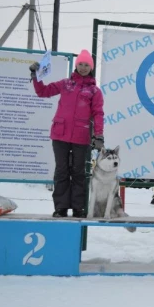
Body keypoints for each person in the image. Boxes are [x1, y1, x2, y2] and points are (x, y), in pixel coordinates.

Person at [29, 50, 105, 218]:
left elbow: (98, 113)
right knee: (62, 171)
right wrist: (36, 76)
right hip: (60, 134)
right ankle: (61, 208)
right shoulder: (65, 84)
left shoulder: (94, 91)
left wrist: (98, 135)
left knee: (78, 172)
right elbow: (43, 92)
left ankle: (79, 208)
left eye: (87, 65)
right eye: (81, 64)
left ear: (91, 68)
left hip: (82, 136)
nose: (83, 67)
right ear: (76, 65)